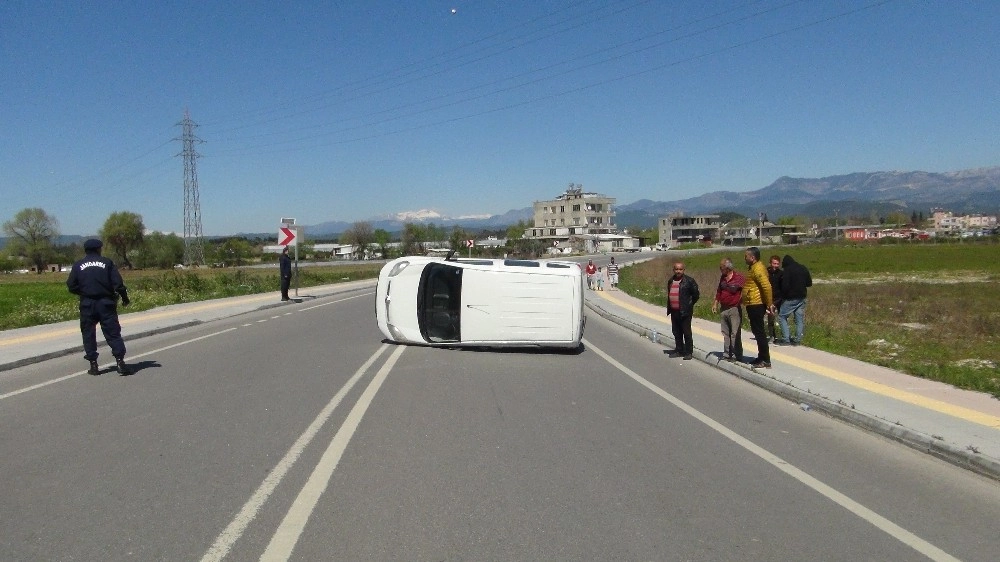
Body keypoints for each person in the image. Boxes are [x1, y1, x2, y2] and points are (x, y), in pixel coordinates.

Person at [66, 239, 131, 375]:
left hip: (87, 304)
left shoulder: (78, 265)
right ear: (99, 249)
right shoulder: (107, 263)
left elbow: (71, 285)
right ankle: (120, 361)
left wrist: (84, 291)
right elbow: (118, 284)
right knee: (113, 333)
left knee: (88, 333)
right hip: (106, 303)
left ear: (86, 250)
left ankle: (93, 365)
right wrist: (125, 298)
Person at [742, 246, 774, 369]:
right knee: (757, 332)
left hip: (756, 303)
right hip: (752, 303)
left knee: (759, 332)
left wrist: (769, 303)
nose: (745, 258)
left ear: (752, 257)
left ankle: (765, 359)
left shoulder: (758, 269)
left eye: (746, 256)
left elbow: (766, 287)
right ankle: (761, 357)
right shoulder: (753, 268)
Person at [711, 258, 745, 362]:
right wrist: (715, 303)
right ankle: (726, 354)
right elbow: (719, 291)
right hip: (724, 308)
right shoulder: (723, 278)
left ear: (728, 268)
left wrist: (741, 301)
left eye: (721, 268)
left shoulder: (739, 278)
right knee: (725, 333)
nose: (720, 269)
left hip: (734, 308)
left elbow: (745, 290)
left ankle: (736, 354)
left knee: (734, 333)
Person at [665, 261, 700, 360]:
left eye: (680, 269)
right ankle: (679, 350)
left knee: (686, 332)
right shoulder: (671, 281)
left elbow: (696, 295)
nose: (678, 271)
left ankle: (688, 352)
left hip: (685, 312)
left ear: (684, 270)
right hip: (674, 311)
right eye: (676, 269)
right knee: (676, 331)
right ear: (673, 270)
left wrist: (688, 304)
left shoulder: (689, 281)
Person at [778, 254, 813, 346]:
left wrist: (783, 296)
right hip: (802, 297)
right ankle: (797, 340)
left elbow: (785, 286)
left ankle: (786, 339)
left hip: (791, 298)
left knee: (782, 316)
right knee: (799, 319)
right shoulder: (803, 268)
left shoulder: (787, 270)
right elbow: (809, 283)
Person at [766, 255, 784, 343]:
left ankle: (784, 336)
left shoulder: (781, 274)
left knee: (782, 317)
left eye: (777, 264)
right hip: (769, 298)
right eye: (774, 263)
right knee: (770, 318)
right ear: (770, 263)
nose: (776, 265)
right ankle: (772, 336)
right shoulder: (766, 272)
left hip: (779, 298)